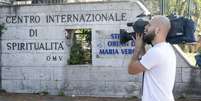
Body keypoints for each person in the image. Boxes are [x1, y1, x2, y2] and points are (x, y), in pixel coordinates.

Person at [128, 15, 176, 101]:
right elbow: (148, 65)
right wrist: (142, 47)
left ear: (157, 30)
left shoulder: (156, 52)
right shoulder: (166, 48)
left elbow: (131, 69)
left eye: (149, 25)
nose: (145, 28)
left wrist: (137, 49)